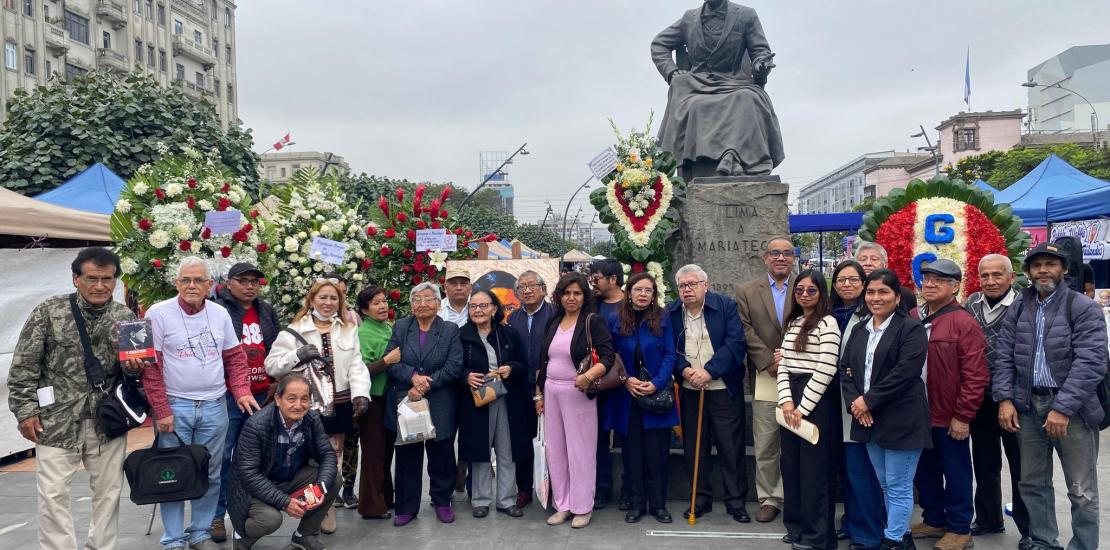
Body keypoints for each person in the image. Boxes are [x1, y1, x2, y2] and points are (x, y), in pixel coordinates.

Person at [7, 247, 146, 550]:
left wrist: (134, 370)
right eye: (92, 278)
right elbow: (23, 366)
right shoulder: (50, 311)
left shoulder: (126, 318)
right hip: (55, 422)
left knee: (108, 494)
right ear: (75, 279)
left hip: (106, 422)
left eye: (107, 279)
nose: (100, 286)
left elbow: (136, 375)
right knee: (53, 494)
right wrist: (25, 411)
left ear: (115, 280)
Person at [994, 242, 1106, 550]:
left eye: (1051, 263)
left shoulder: (1081, 306)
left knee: (1081, 489)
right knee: (1032, 482)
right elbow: (1003, 355)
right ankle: (1044, 541)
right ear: (1028, 272)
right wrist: (1004, 399)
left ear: (1065, 269)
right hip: (1028, 406)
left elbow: (1091, 361)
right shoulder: (1020, 305)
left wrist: (1062, 408)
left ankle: (1083, 545)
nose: (1044, 270)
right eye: (1037, 264)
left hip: (1073, 411)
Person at [142, 256, 259, 550]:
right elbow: (151, 368)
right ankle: (172, 539)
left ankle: (200, 533)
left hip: (214, 405)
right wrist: (162, 410)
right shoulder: (158, 313)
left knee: (211, 470)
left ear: (210, 285)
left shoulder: (219, 314)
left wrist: (242, 390)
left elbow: (234, 358)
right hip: (176, 405)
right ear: (176, 283)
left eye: (198, 280)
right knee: (171, 472)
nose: (192, 286)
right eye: (186, 280)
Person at [265, 278, 372, 535]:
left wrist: (361, 394)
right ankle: (315, 509)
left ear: (340, 302)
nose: (328, 302)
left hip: (339, 405)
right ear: (312, 300)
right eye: (323, 297)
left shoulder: (347, 328)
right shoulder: (293, 330)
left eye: (333, 298)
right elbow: (272, 365)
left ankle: (325, 508)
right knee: (311, 459)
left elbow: (356, 364)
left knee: (332, 458)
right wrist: (296, 355)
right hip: (306, 405)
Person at [840, 269, 931, 550]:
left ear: (896, 296)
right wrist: (858, 404)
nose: (876, 298)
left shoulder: (911, 328)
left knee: (899, 485)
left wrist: (869, 400)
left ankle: (893, 541)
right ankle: (901, 537)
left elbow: (905, 373)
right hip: (868, 420)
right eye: (870, 292)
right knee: (885, 485)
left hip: (902, 419)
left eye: (883, 292)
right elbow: (846, 370)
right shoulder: (859, 328)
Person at [650, 0, 784, 178]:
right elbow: (659, 44)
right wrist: (672, 72)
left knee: (748, 99)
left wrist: (761, 65)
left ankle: (733, 157)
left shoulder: (746, 15)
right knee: (694, 104)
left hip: (734, 82)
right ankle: (723, 160)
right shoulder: (689, 18)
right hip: (696, 85)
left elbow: (760, 51)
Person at [908, 259, 989, 550]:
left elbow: (976, 374)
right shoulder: (913, 316)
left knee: (956, 473)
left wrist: (963, 415)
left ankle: (959, 528)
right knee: (924, 470)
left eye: (938, 280)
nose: (929, 284)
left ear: (955, 287)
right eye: (927, 279)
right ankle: (934, 519)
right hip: (918, 414)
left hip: (949, 415)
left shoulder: (963, 322)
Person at [665, 264, 750, 523]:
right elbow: (669, 348)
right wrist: (686, 371)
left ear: (706, 285)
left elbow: (735, 343)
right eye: (682, 286)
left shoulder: (725, 306)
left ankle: (736, 502)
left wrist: (709, 371)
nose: (687, 290)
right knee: (695, 448)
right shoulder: (671, 312)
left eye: (692, 284)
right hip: (690, 389)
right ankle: (699, 499)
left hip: (722, 388)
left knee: (730, 447)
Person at [535, 272, 616, 529]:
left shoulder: (593, 321)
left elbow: (608, 357)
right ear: (559, 296)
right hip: (551, 391)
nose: (571, 298)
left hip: (578, 393)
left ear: (584, 297)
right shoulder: (554, 321)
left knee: (580, 451)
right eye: (567, 293)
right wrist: (538, 394)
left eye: (577, 293)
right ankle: (563, 504)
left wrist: (588, 376)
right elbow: (543, 360)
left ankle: (582, 506)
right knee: (556, 451)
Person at [961, 255, 1030, 548]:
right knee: (985, 462)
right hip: (980, 397)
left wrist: (1009, 398)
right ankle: (989, 518)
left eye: (997, 275)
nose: (990, 281)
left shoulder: (1025, 306)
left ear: (1011, 277)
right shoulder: (971, 303)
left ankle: (1029, 529)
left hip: (1014, 399)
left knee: (1022, 466)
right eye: (985, 275)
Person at [211, 262, 281, 543]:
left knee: (257, 458)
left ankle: (249, 512)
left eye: (255, 281)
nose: (250, 286)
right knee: (223, 457)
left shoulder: (266, 311)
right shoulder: (220, 311)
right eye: (243, 280)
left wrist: (277, 380)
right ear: (229, 283)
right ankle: (216, 516)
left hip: (263, 394)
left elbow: (277, 347)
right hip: (231, 396)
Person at [226, 373, 337, 550]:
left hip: (289, 477)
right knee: (270, 520)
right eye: (291, 398)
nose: (298, 405)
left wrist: (320, 487)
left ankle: (303, 535)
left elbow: (327, 454)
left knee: (333, 479)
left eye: (304, 399)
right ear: (278, 399)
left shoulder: (311, 419)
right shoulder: (256, 425)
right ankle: (242, 535)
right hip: (253, 488)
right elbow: (249, 474)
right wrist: (285, 502)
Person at [384, 283, 464, 526]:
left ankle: (442, 501)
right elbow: (391, 361)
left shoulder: (450, 330)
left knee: (441, 455)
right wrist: (412, 378)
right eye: (417, 299)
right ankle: (407, 507)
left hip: (439, 399)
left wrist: (425, 384)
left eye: (428, 299)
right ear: (411, 304)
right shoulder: (400, 327)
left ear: (439, 304)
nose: (422, 304)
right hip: (408, 400)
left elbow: (454, 365)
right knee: (408, 456)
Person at [602, 273, 679, 524]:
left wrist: (656, 383)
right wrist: (627, 381)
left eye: (648, 290)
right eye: (638, 289)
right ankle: (636, 503)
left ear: (654, 294)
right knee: (632, 453)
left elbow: (670, 354)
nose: (643, 294)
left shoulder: (663, 319)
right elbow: (611, 355)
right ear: (629, 292)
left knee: (657, 453)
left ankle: (658, 504)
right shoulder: (616, 319)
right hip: (627, 396)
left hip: (655, 393)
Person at [775, 270, 842, 550]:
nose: (804, 294)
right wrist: (787, 402)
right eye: (799, 289)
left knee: (815, 472)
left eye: (811, 290)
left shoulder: (828, 323)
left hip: (815, 402)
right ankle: (796, 527)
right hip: (791, 397)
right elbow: (784, 365)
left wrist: (802, 408)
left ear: (821, 293)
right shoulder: (794, 321)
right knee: (791, 468)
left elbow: (826, 370)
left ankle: (818, 536)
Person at [736, 235, 794, 522]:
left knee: (799, 438)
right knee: (767, 441)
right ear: (765, 258)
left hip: (802, 376)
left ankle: (797, 494)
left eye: (786, 253)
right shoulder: (747, 291)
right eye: (775, 253)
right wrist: (768, 360)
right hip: (766, 375)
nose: (780, 257)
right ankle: (770, 497)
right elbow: (745, 329)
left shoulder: (808, 286)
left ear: (794, 258)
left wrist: (791, 359)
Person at [458, 289, 530, 518]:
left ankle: (506, 500)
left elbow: (522, 363)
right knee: (479, 452)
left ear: (494, 309)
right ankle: (480, 500)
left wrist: (511, 368)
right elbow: (454, 366)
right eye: (473, 306)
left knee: (506, 450)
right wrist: (466, 376)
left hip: (506, 400)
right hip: (475, 402)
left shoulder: (508, 334)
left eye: (483, 306)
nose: (478, 310)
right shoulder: (462, 335)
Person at [830, 261, 885, 550]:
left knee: (863, 472)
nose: (847, 285)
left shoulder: (871, 315)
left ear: (863, 284)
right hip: (835, 404)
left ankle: (868, 534)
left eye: (853, 279)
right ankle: (852, 522)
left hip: (862, 404)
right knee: (849, 471)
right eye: (841, 280)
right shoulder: (832, 314)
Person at [505, 270, 554, 509]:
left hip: (551, 386)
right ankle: (524, 488)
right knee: (522, 440)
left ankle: (554, 488)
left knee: (552, 439)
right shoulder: (512, 319)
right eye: (522, 287)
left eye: (532, 285)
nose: (527, 290)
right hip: (520, 388)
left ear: (543, 289)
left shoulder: (555, 314)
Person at [355, 286, 400, 520]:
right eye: (376, 303)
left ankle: (386, 498)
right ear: (364, 310)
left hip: (388, 399)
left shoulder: (387, 327)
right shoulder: (363, 333)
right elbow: (360, 369)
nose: (383, 306)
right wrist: (386, 361)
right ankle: (371, 506)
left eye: (384, 301)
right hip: (372, 400)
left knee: (386, 451)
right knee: (373, 453)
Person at [588, 258, 626, 509]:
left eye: (597, 278)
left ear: (613, 279)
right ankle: (601, 487)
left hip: (626, 379)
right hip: (599, 379)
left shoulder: (631, 303)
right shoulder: (592, 304)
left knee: (627, 436)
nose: (594, 283)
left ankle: (629, 488)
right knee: (598, 435)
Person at [438, 266, 471, 502]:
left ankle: (466, 476)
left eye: (463, 283)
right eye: (454, 283)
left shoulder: (480, 307)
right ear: (445, 287)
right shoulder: (436, 309)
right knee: (445, 435)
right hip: (444, 381)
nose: (459, 287)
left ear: (470, 287)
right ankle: (446, 485)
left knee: (470, 432)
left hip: (472, 379)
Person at [854, 240, 918, 312]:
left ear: (885, 265)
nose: (868, 263)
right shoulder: (849, 291)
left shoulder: (904, 294)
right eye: (863, 259)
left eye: (874, 259)